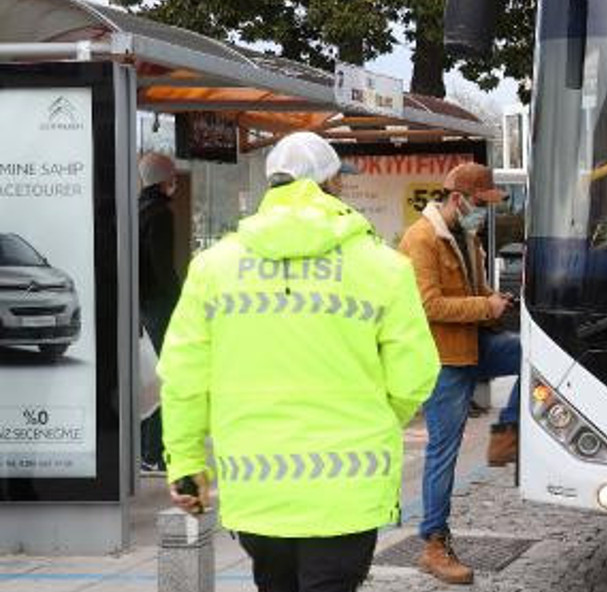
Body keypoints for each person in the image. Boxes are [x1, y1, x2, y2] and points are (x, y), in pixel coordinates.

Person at [159, 131, 439, 592]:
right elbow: (415, 374)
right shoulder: (382, 267)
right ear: (333, 185)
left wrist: (186, 462)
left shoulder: (214, 268)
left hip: (257, 491)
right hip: (347, 490)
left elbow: (183, 376)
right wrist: (373, 416)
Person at [398, 162, 519, 585]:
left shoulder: (468, 237)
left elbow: (474, 292)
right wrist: (484, 307)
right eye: (480, 204)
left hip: (474, 344)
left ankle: (507, 433)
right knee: (442, 453)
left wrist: (493, 298)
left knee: (533, 355)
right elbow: (427, 306)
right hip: (443, 359)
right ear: (457, 199)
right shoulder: (421, 238)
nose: (484, 212)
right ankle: (434, 542)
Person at [138, 152, 180, 473]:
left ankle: (143, 451)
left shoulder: (136, 209)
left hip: (139, 309)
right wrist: (182, 303)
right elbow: (163, 267)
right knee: (167, 378)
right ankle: (155, 452)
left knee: (147, 378)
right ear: (164, 179)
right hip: (160, 308)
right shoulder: (161, 214)